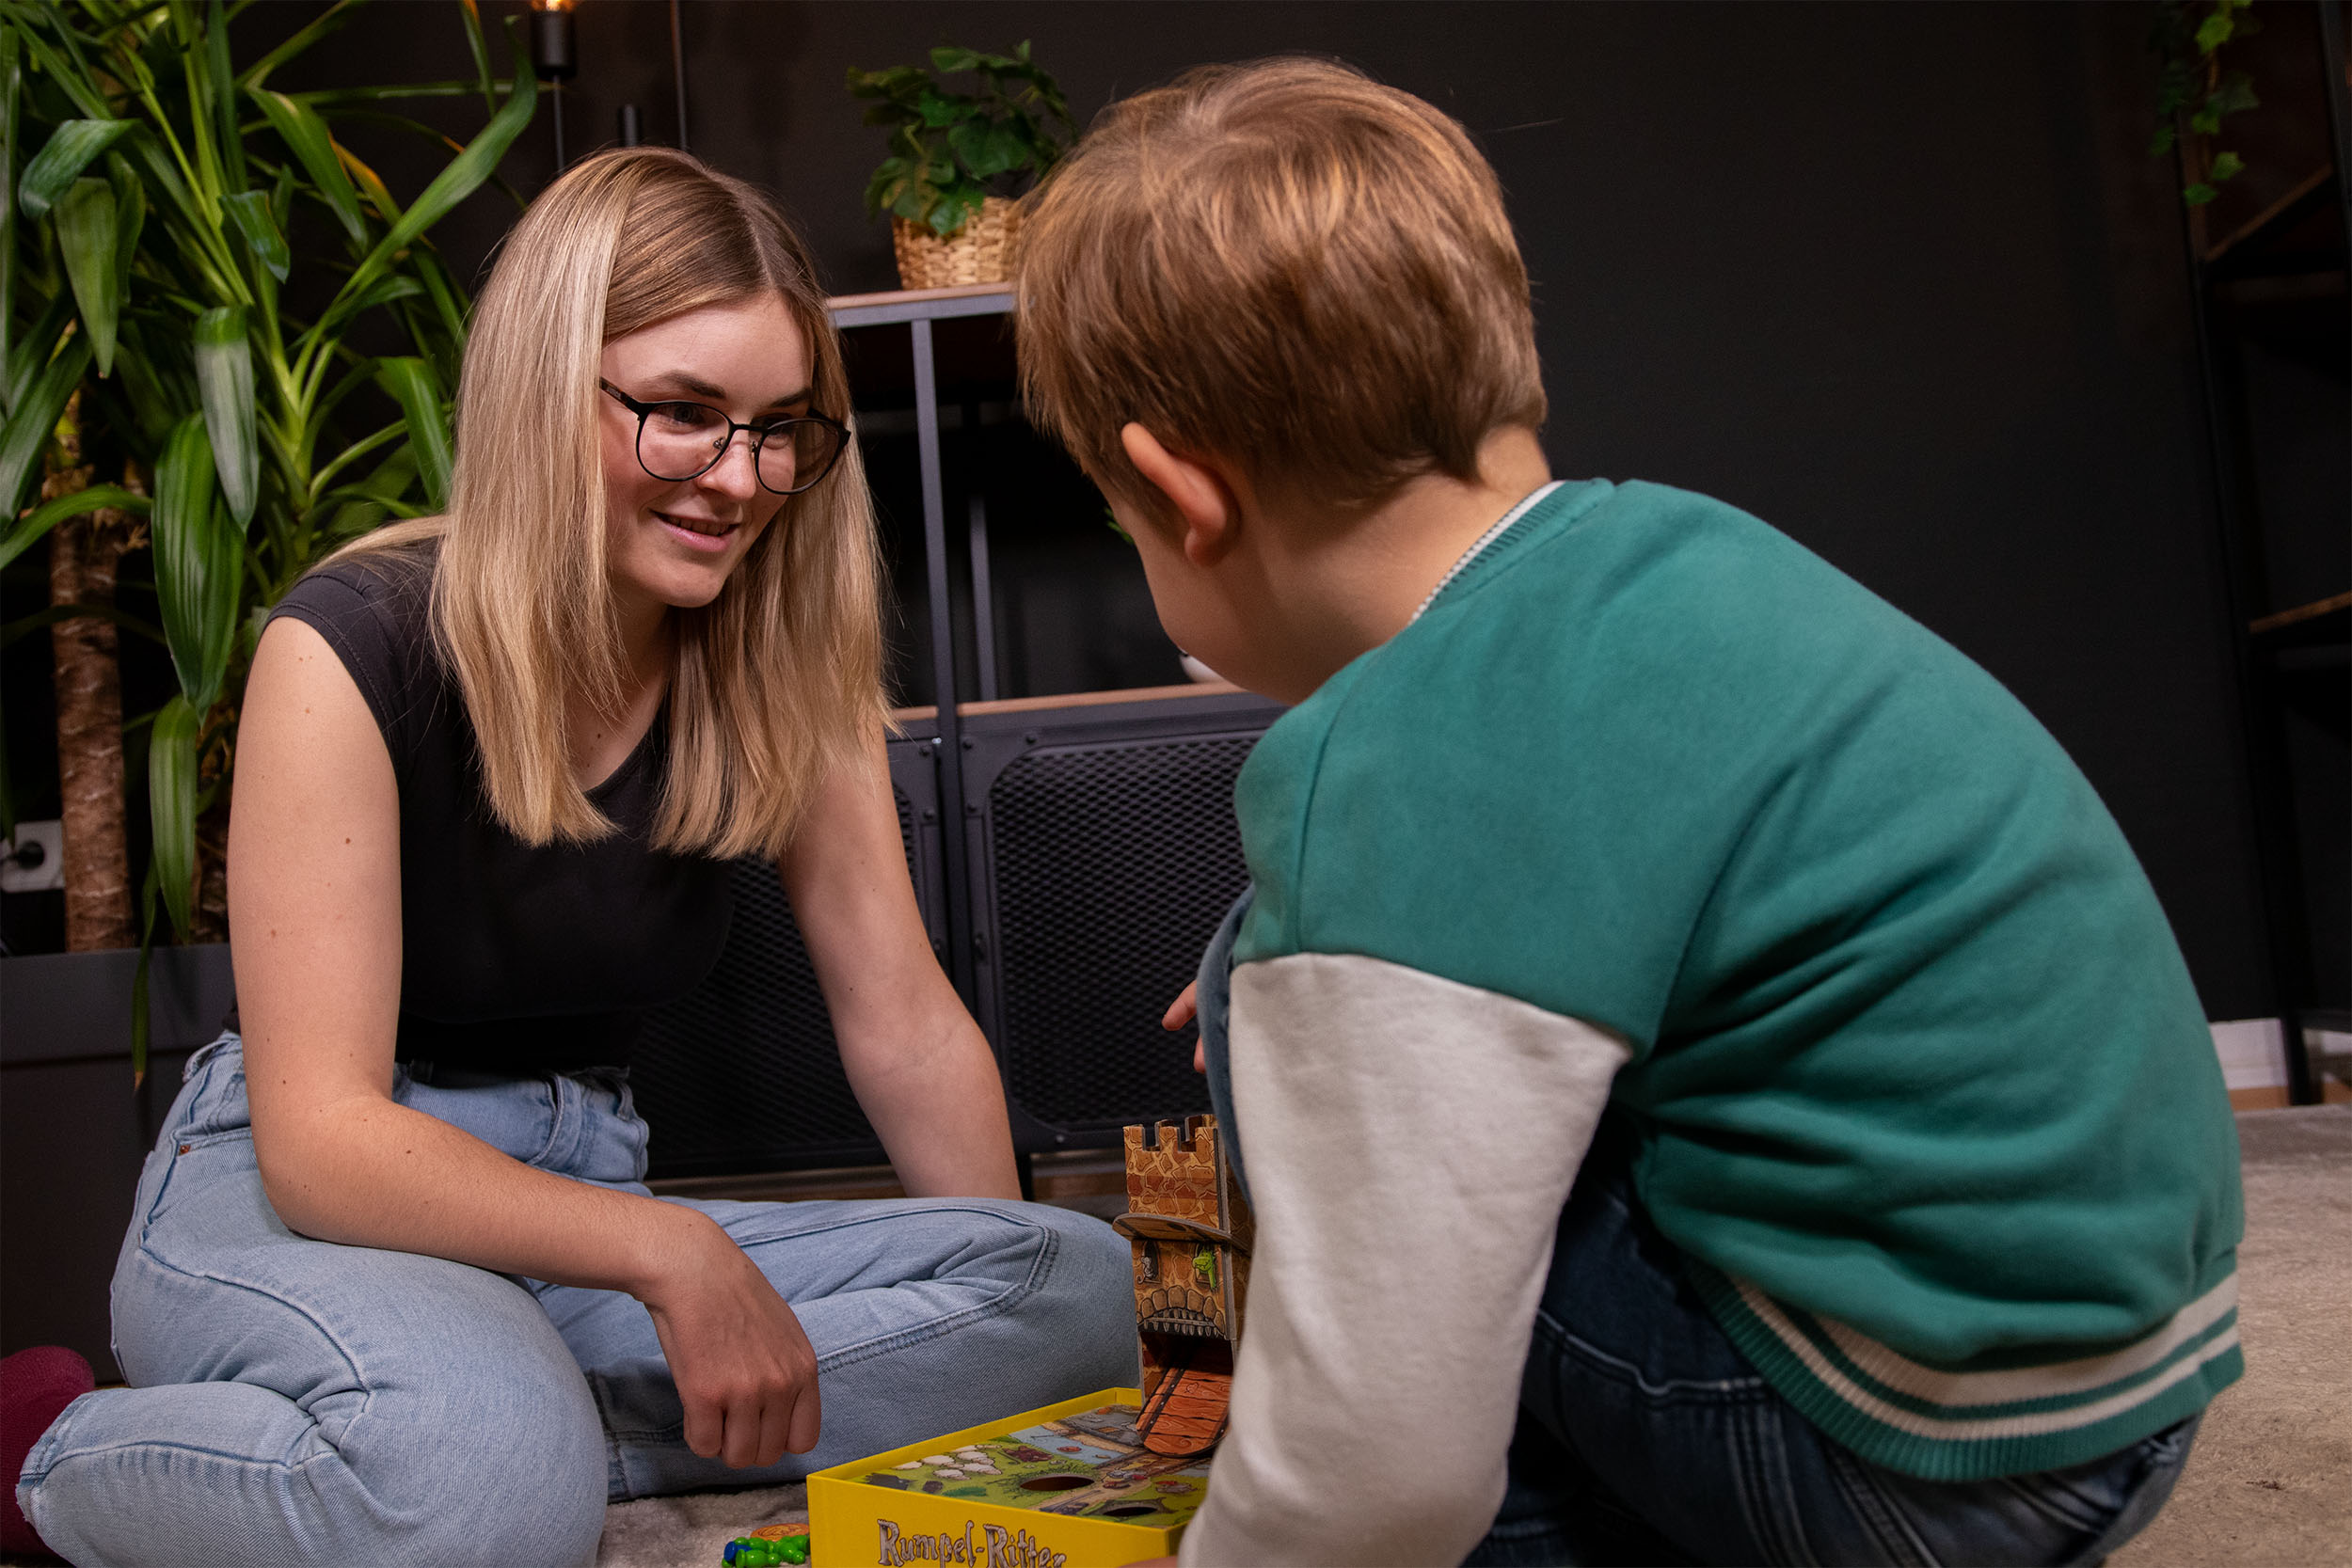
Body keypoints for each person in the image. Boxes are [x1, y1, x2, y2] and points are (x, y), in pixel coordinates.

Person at [1015, 58, 2243, 1568]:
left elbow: (1379, 1474)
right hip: (2124, 1386)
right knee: (1274, 957)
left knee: (1280, 1021)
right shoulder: (1677, 561)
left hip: (1916, 1459)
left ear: (1181, 493)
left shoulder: (1402, 752)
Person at [15, 148, 1136, 1568]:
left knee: (1080, 1292)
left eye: (780, 430)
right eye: (684, 415)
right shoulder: (349, 642)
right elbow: (323, 1139)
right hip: (312, 1198)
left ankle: (499, 1436)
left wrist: (999, 1303)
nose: (741, 480)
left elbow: (904, 1022)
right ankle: (49, 1455)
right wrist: (672, 1252)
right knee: (480, 1488)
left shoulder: (780, 656)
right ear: (547, 390)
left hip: (578, 1202)